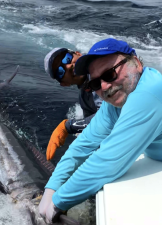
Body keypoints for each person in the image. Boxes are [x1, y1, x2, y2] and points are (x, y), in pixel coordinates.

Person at [39, 38, 162, 224]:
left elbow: (108, 160)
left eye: (110, 74)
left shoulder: (149, 92)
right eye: (95, 83)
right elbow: (83, 145)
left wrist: (57, 203)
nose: (104, 86)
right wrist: (51, 189)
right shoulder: (114, 103)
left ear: (136, 63)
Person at [44, 48, 102, 160]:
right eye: (60, 71)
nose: (68, 66)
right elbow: (95, 130)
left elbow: (111, 115)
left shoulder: (103, 67)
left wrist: (68, 127)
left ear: (78, 54)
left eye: (67, 59)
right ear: (65, 84)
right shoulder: (85, 100)